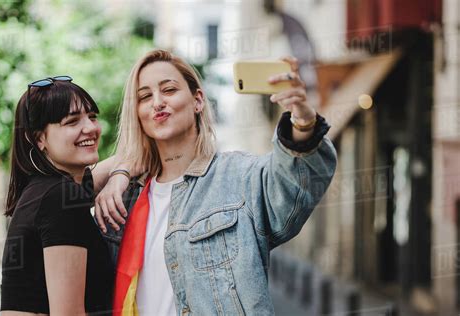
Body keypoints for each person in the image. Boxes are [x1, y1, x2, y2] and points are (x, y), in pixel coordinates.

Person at [95, 49, 337, 315]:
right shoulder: (124, 200)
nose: (157, 102)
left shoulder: (239, 176)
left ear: (197, 100)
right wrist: (121, 168)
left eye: (169, 90)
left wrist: (302, 122)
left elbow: (299, 182)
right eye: (144, 96)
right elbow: (54, 199)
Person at [1, 77, 114, 315]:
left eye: (92, 117)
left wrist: (121, 175)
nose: (91, 128)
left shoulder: (42, 192)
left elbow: (125, 160)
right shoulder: (60, 198)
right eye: (72, 121)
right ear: (39, 138)